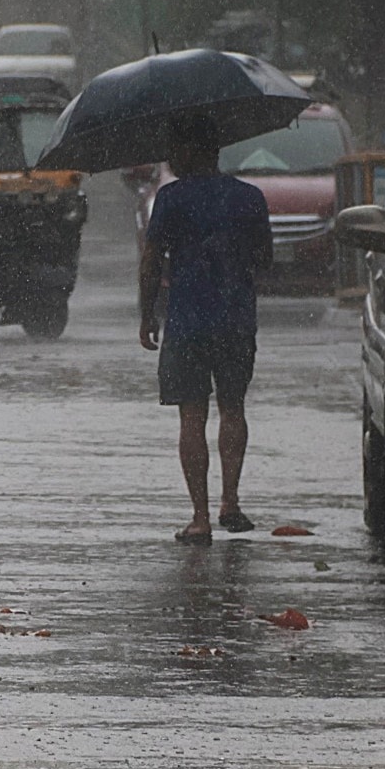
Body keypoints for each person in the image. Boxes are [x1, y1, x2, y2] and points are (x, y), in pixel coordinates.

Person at [138, 118, 272, 545]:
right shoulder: (249, 198)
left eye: (176, 147)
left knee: (191, 416)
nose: (170, 157)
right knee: (233, 407)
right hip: (236, 319)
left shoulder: (172, 199)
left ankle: (200, 518)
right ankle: (230, 501)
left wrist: (147, 315)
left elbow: (151, 262)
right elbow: (265, 259)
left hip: (187, 321)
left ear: (195, 151)